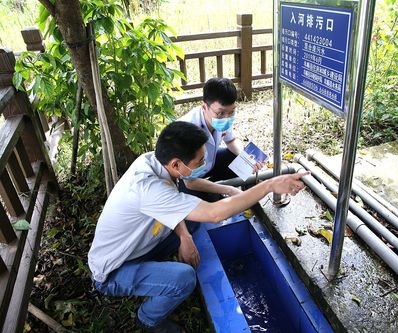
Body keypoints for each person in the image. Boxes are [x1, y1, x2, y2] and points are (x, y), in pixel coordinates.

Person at [87, 121, 308, 333]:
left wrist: (184, 236)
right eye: (199, 162)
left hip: (138, 245)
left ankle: (159, 267)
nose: (203, 166)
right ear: (176, 164)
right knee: (184, 278)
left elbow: (179, 195)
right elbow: (215, 214)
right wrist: (269, 185)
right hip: (113, 270)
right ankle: (148, 318)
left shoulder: (152, 161)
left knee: (190, 223)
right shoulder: (148, 188)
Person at [178, 77, 262, 201]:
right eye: (220, 113)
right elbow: (189, 182)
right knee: (210, 207)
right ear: (204, 107)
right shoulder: (186, 130)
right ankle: (212, 191)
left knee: (244, 159)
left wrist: (247, 157)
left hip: (209, 164)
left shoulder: (223, 117)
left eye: (232, 112)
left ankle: (238, 185)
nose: (226, 118)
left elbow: (231, 140)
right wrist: (229, 189)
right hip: (190, 179)